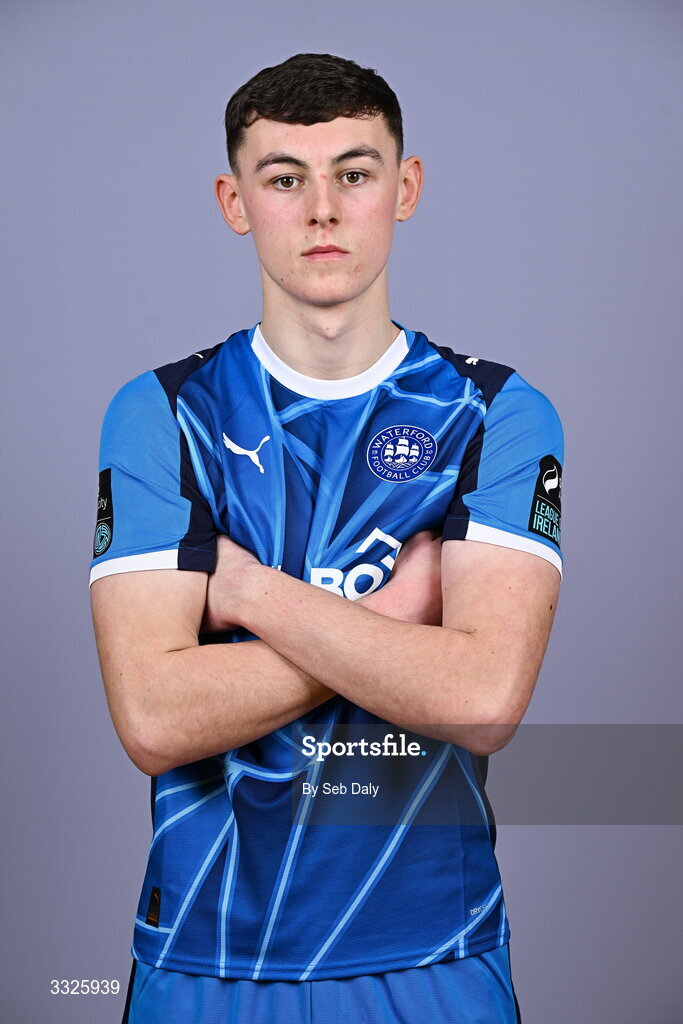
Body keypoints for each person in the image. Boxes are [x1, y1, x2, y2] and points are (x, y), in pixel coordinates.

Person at [89, 52, 563, 1024]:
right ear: (234, 200)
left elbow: (479, 697)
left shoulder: (494, 413)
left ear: (405, 187)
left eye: (352, 173)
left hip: (432, 953)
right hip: (202, 959)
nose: (321, 211)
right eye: (282, 178)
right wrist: (393, 618)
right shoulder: (160, 414)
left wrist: (255, 594)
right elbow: (152, 717)